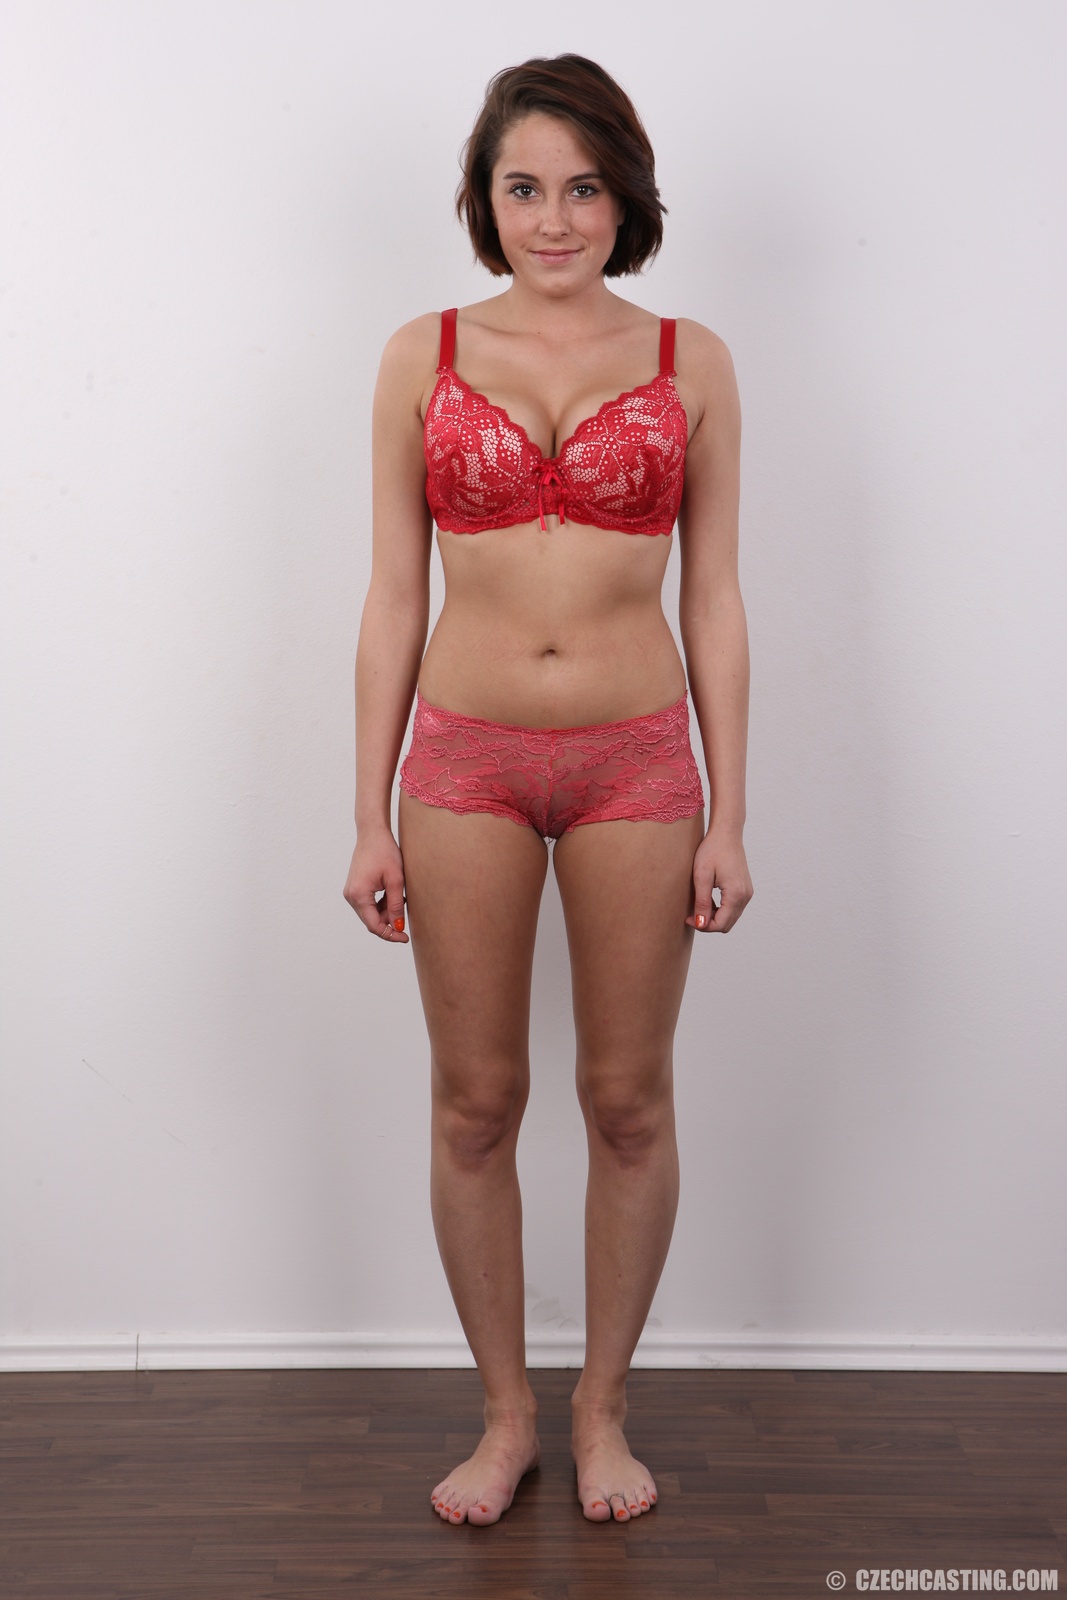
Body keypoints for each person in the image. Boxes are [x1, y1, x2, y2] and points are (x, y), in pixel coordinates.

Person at [343, 52, 752, 1528]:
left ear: (625, 200)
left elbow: (714, 597)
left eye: (584, 189)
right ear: (485, 198)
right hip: (466, 761)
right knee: (477, 1102)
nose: (555, 218)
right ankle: (507, 1414)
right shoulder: (424, 353)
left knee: (627, 1100)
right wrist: (368, 810)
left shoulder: (692, 359)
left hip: (639, 759)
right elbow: (396, 595)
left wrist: (731, 810)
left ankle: (602, 1411)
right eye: (525, 187)